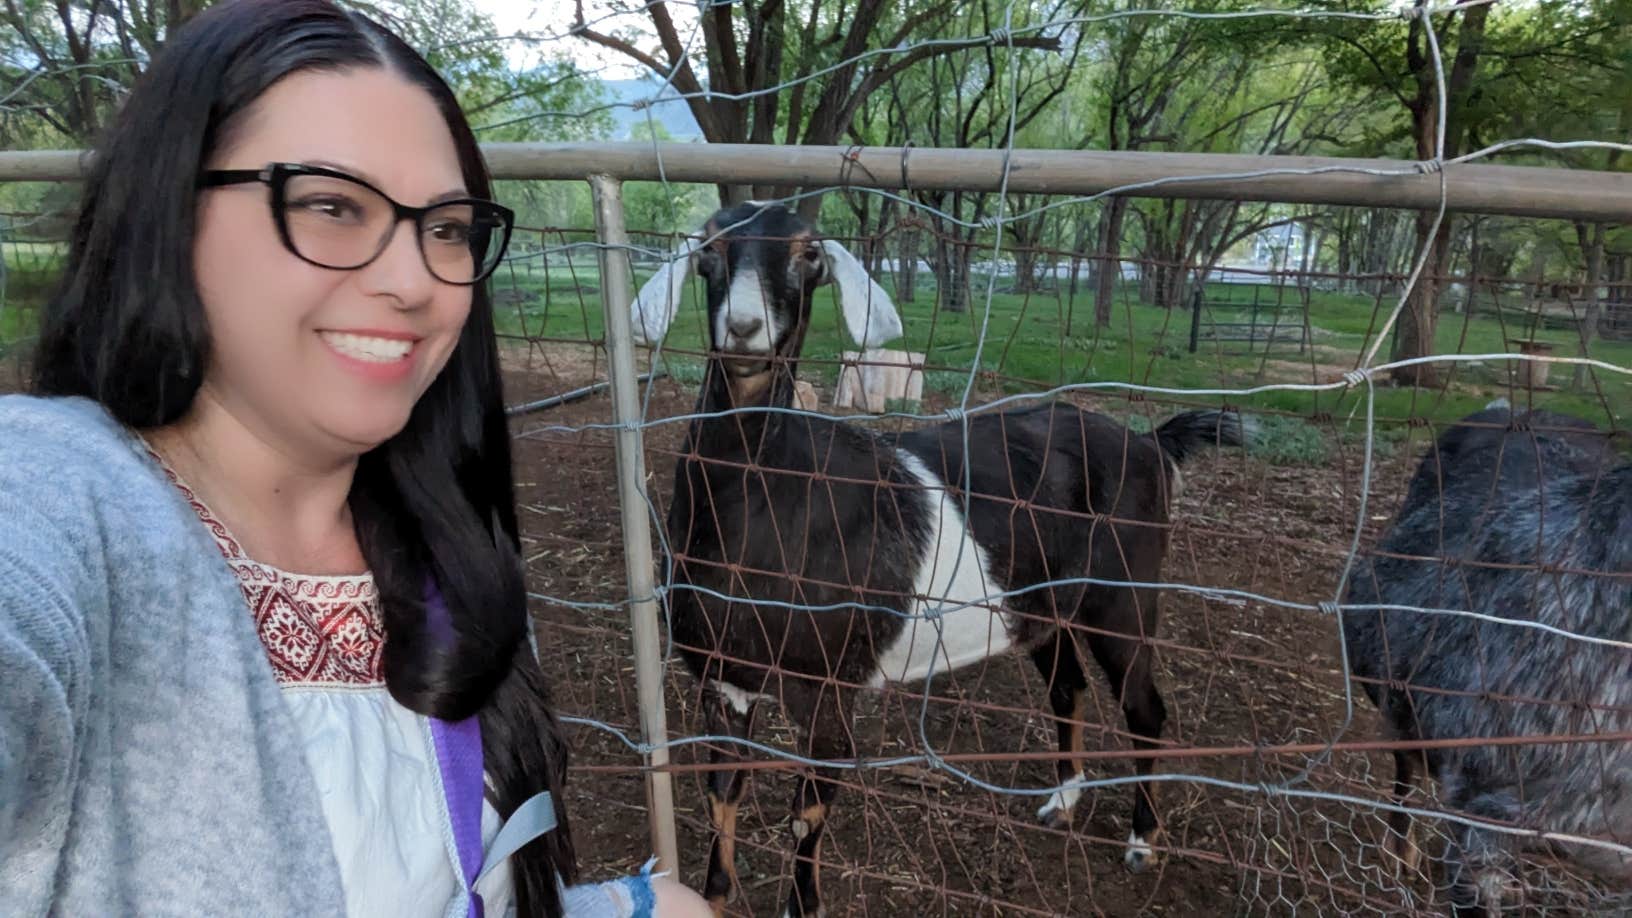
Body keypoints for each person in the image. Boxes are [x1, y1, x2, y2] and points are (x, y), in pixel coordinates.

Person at [0, 2, 710, 916]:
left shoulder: (445, 554)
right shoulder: (60, 504)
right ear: (169, 213)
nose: (414, 282)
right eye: (332, 206)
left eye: (447, 228)